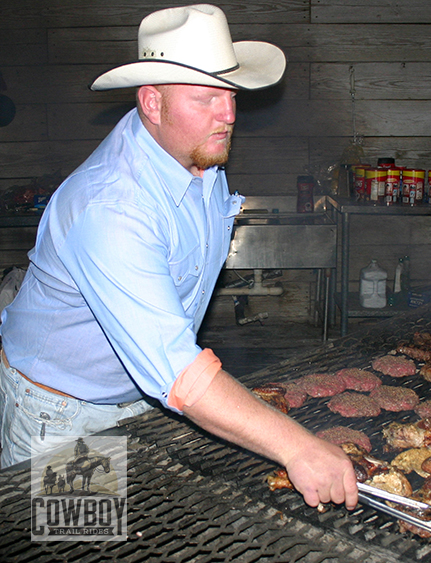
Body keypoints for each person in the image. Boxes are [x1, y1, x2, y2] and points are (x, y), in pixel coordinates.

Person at [0, 4, 357, 511]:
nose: (229, 115)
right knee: (80, 541)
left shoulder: (195, 152)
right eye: (206, 97)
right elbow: (176, 371)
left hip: (135, 395)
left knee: (137, 534)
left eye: (230, 94)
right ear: (152, 102)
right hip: (63, 412)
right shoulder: (111, 208)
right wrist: (299, 446)